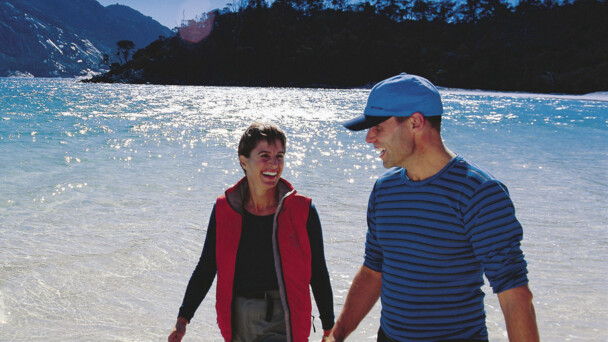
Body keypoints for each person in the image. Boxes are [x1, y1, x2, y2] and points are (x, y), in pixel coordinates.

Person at [329, 73, 539, 342]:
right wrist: (337, 335)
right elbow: (373, 271)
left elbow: (514, 296)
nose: (369, 138)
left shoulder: (479, 193)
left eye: (378, 126)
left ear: (415, 122)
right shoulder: (384, 190)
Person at [169, 122, 335, 342]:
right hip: (237, 318)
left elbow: (318, 272)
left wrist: (329, 328)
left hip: (284, 318)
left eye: (280, 156)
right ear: (243, 161)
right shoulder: (224, 209)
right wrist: (183, 318)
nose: (274, 164)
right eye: (265, 155)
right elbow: (207, 266)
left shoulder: (303, 211)